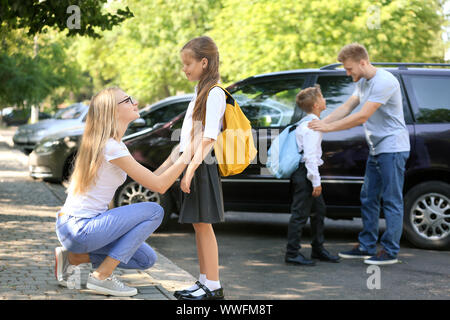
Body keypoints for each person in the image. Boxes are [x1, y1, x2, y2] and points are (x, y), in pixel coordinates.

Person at [54, 87, 197, 297]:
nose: (136, 102)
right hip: (80, 227)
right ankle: (101, 277)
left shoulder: (112, 144)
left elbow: (152, 179)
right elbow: (159, 186)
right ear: (113, 111)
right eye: (128, 100)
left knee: (145, 259)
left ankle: (73, 258)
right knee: (154, 210)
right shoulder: (112, 147)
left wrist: (176, 156)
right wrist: (189, 155)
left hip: (75, 228)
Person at [308, 43, 410, 265]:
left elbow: (361, 116)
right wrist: (319, 122)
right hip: (377, 148)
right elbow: (347, 107)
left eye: (349, 69)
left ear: (363, 62)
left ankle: (390, 251)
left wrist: (328, 129)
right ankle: (366, 246)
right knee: (368, 197)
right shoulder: (363, 82)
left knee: (391, 200)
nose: (347, 73)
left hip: (393, 147)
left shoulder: (384, 81)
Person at [166, 36, 226, 300]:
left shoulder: (214, 92)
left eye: (188, 63)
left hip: (202, 165)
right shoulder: (202, 91)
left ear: (204, 62)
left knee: (204, 226)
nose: (184, 69)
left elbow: (209, 137)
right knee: (199, 226)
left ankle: (213, 285)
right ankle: (204, 281)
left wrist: (189, 170)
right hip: (195, 163)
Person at [285, 85, 340, 266]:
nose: (325, 99)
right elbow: (309, 156)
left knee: (319, 211)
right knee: (300, 214)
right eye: (322, 96)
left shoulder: (307, 122)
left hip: (305, 173)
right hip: (306, 175)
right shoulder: (312, 126)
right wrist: (315, 182)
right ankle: (292, 253)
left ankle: (318, 249)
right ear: (316, 104)